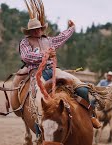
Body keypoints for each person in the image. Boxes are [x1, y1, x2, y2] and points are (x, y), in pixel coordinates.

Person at [15, 0, 101, 129]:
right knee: (39, 100)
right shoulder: (25, 42)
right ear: (30, 31)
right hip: (37, 73)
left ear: (41, 28)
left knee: (82, 88)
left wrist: (71, 28)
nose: (37, 31)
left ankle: (91, 115)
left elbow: (62, 37)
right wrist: (44, 56)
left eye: (38, 28)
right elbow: (26, 56)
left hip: (54, 70)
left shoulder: (48, 40)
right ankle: (39, 132)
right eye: (34, 29)